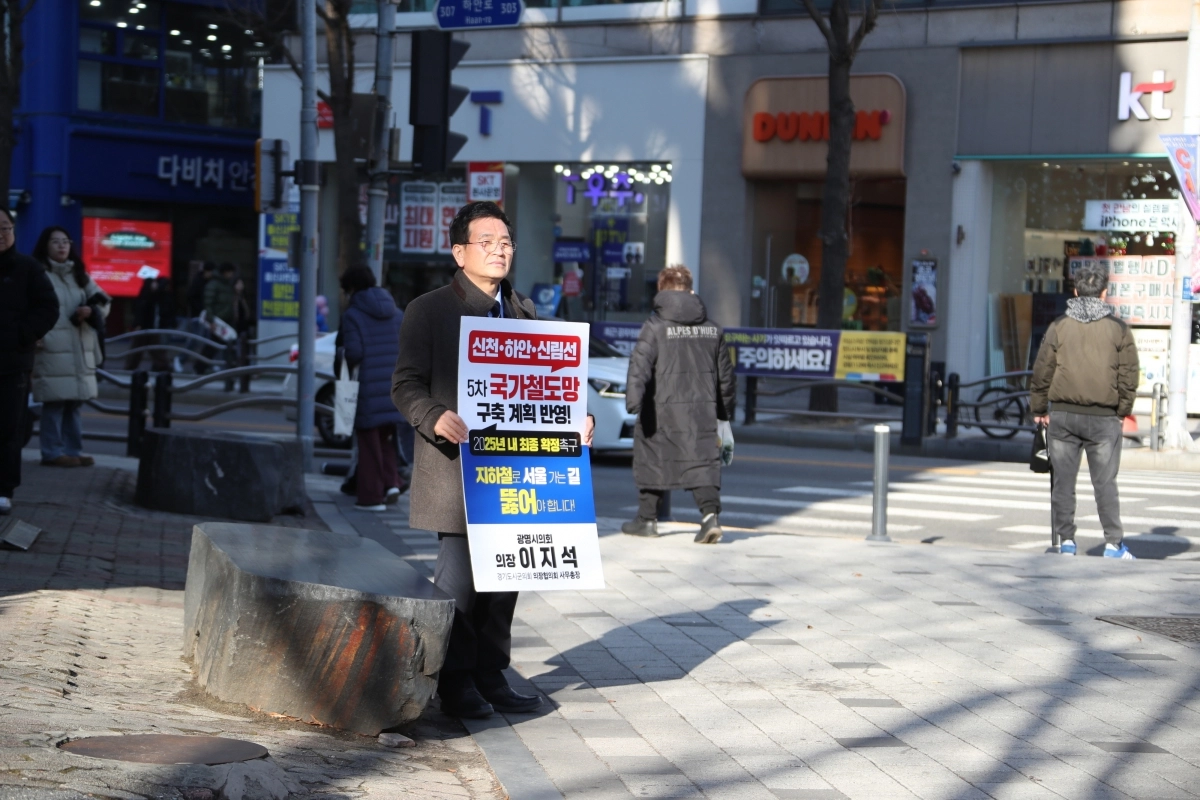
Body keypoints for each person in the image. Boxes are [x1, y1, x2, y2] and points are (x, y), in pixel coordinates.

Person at [392, 201, 594, 720]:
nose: (500, 250)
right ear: (460, 252)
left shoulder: (522, 311)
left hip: (518, 471)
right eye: (487, 241)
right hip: (458, 472)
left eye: (505, 242)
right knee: (460, 584)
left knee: (506, 580)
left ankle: (489, 673)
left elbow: (545, 385)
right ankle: (453, 682)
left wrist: (576, 418)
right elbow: (404, 384)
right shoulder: (429, 310)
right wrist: (433, 414)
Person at [1030, 261, 1139, 559]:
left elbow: (1043, 371)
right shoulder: (1118, 329)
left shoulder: (1058, 327)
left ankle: (1066, 542)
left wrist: (1039, 408)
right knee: (1105, 484)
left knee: (1063, 483)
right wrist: (1123, 409)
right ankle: (1114, 544)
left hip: (1063, 417)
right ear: (1104, 294)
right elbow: (1129, 374)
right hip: (1105, 419)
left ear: (1075, 292)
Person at [621, 264, 736, 544]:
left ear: (662, 290)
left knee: (653, 458)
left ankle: (647, 520)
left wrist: (633, 400)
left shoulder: (655, 326)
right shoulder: (712, 330)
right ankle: (710, 517)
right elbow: (726, 376)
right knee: (702, 461)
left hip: (661, 409)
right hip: (701, 410)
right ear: (691, 290)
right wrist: (724, 413)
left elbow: (640, 364)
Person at [30, 225, 110, 468]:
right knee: (55, 403)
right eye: (55, 242)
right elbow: (26, 307)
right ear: (45, 246)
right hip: (52, 348)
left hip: (79, 348)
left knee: (74, 402)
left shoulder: (79, 275)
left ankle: (73, 451)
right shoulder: (37, 273)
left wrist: (92, 311)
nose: (62, 246)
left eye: (66, 241)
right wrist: (33, 334)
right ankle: (52, 452)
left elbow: (105, 301)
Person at [0, 211, 59, 514]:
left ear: (13, 230)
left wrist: (22, 335)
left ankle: (4, 489)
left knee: (9, 428)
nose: (0, 234)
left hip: (12, 363)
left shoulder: (27, 268)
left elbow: (49, 308)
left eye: (5, 228)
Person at [339, 265, 405, 511]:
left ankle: (372, 497)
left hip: (368, 388)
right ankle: (392, 483)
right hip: (395, 386)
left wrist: (341, 353)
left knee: (368, 443)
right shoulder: (397, 312)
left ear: (351, 288)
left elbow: (354, 353)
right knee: (385, 439)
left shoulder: (353, 315)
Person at [125, 276, 176, 372]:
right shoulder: (146, 296)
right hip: (144, 327)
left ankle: (163, 366)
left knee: (154, 349)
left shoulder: (152, 295)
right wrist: (138, 324)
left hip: (150, 327)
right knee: (139, 349)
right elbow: (140, 312)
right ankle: (130, 367)